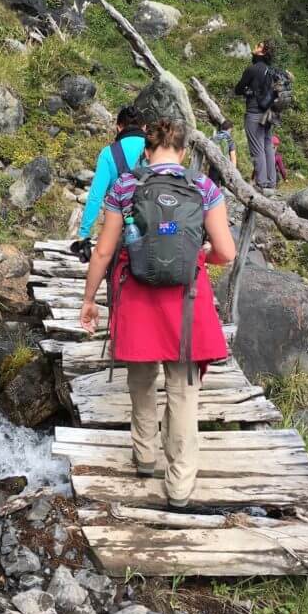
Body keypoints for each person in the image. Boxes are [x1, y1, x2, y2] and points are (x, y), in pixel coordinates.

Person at [79, 118, 236, 509]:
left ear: (146, 151)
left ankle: (145, 455)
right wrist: (201, 257)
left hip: (137, 294)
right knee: (183, 391)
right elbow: (227, 253)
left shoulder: (126, 186)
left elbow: (102, 251)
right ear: (183, 152)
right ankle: (180, 483)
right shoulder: (203, 187)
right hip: (187, 299)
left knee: (142, 380)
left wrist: (89, 299)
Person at [69, 105, 147, 262]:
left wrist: (84, 235)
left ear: (119, 127)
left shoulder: (109, 153)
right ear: (145, 128)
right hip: (154, 227)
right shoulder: (156, 150)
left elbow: (95, 197)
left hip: (119, 229)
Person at [234, 39, 278, 190]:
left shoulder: (252, 69)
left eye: (258, 46)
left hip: (254, 114)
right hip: (268, 114)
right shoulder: (271, 70)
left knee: (257, 148)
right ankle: (271, 183)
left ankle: (262, 184)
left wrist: (247, 91)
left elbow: (238, 89)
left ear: (263, 52)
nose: (254, 47)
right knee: (267, 146)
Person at [208, 120, 237, 186]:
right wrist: (233, 171)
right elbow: (233, 157)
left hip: (214, 166)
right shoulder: (230, 140)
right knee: (226, 189)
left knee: (213, 188)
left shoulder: (213, 138)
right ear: (230, 129)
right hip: (225, 167)